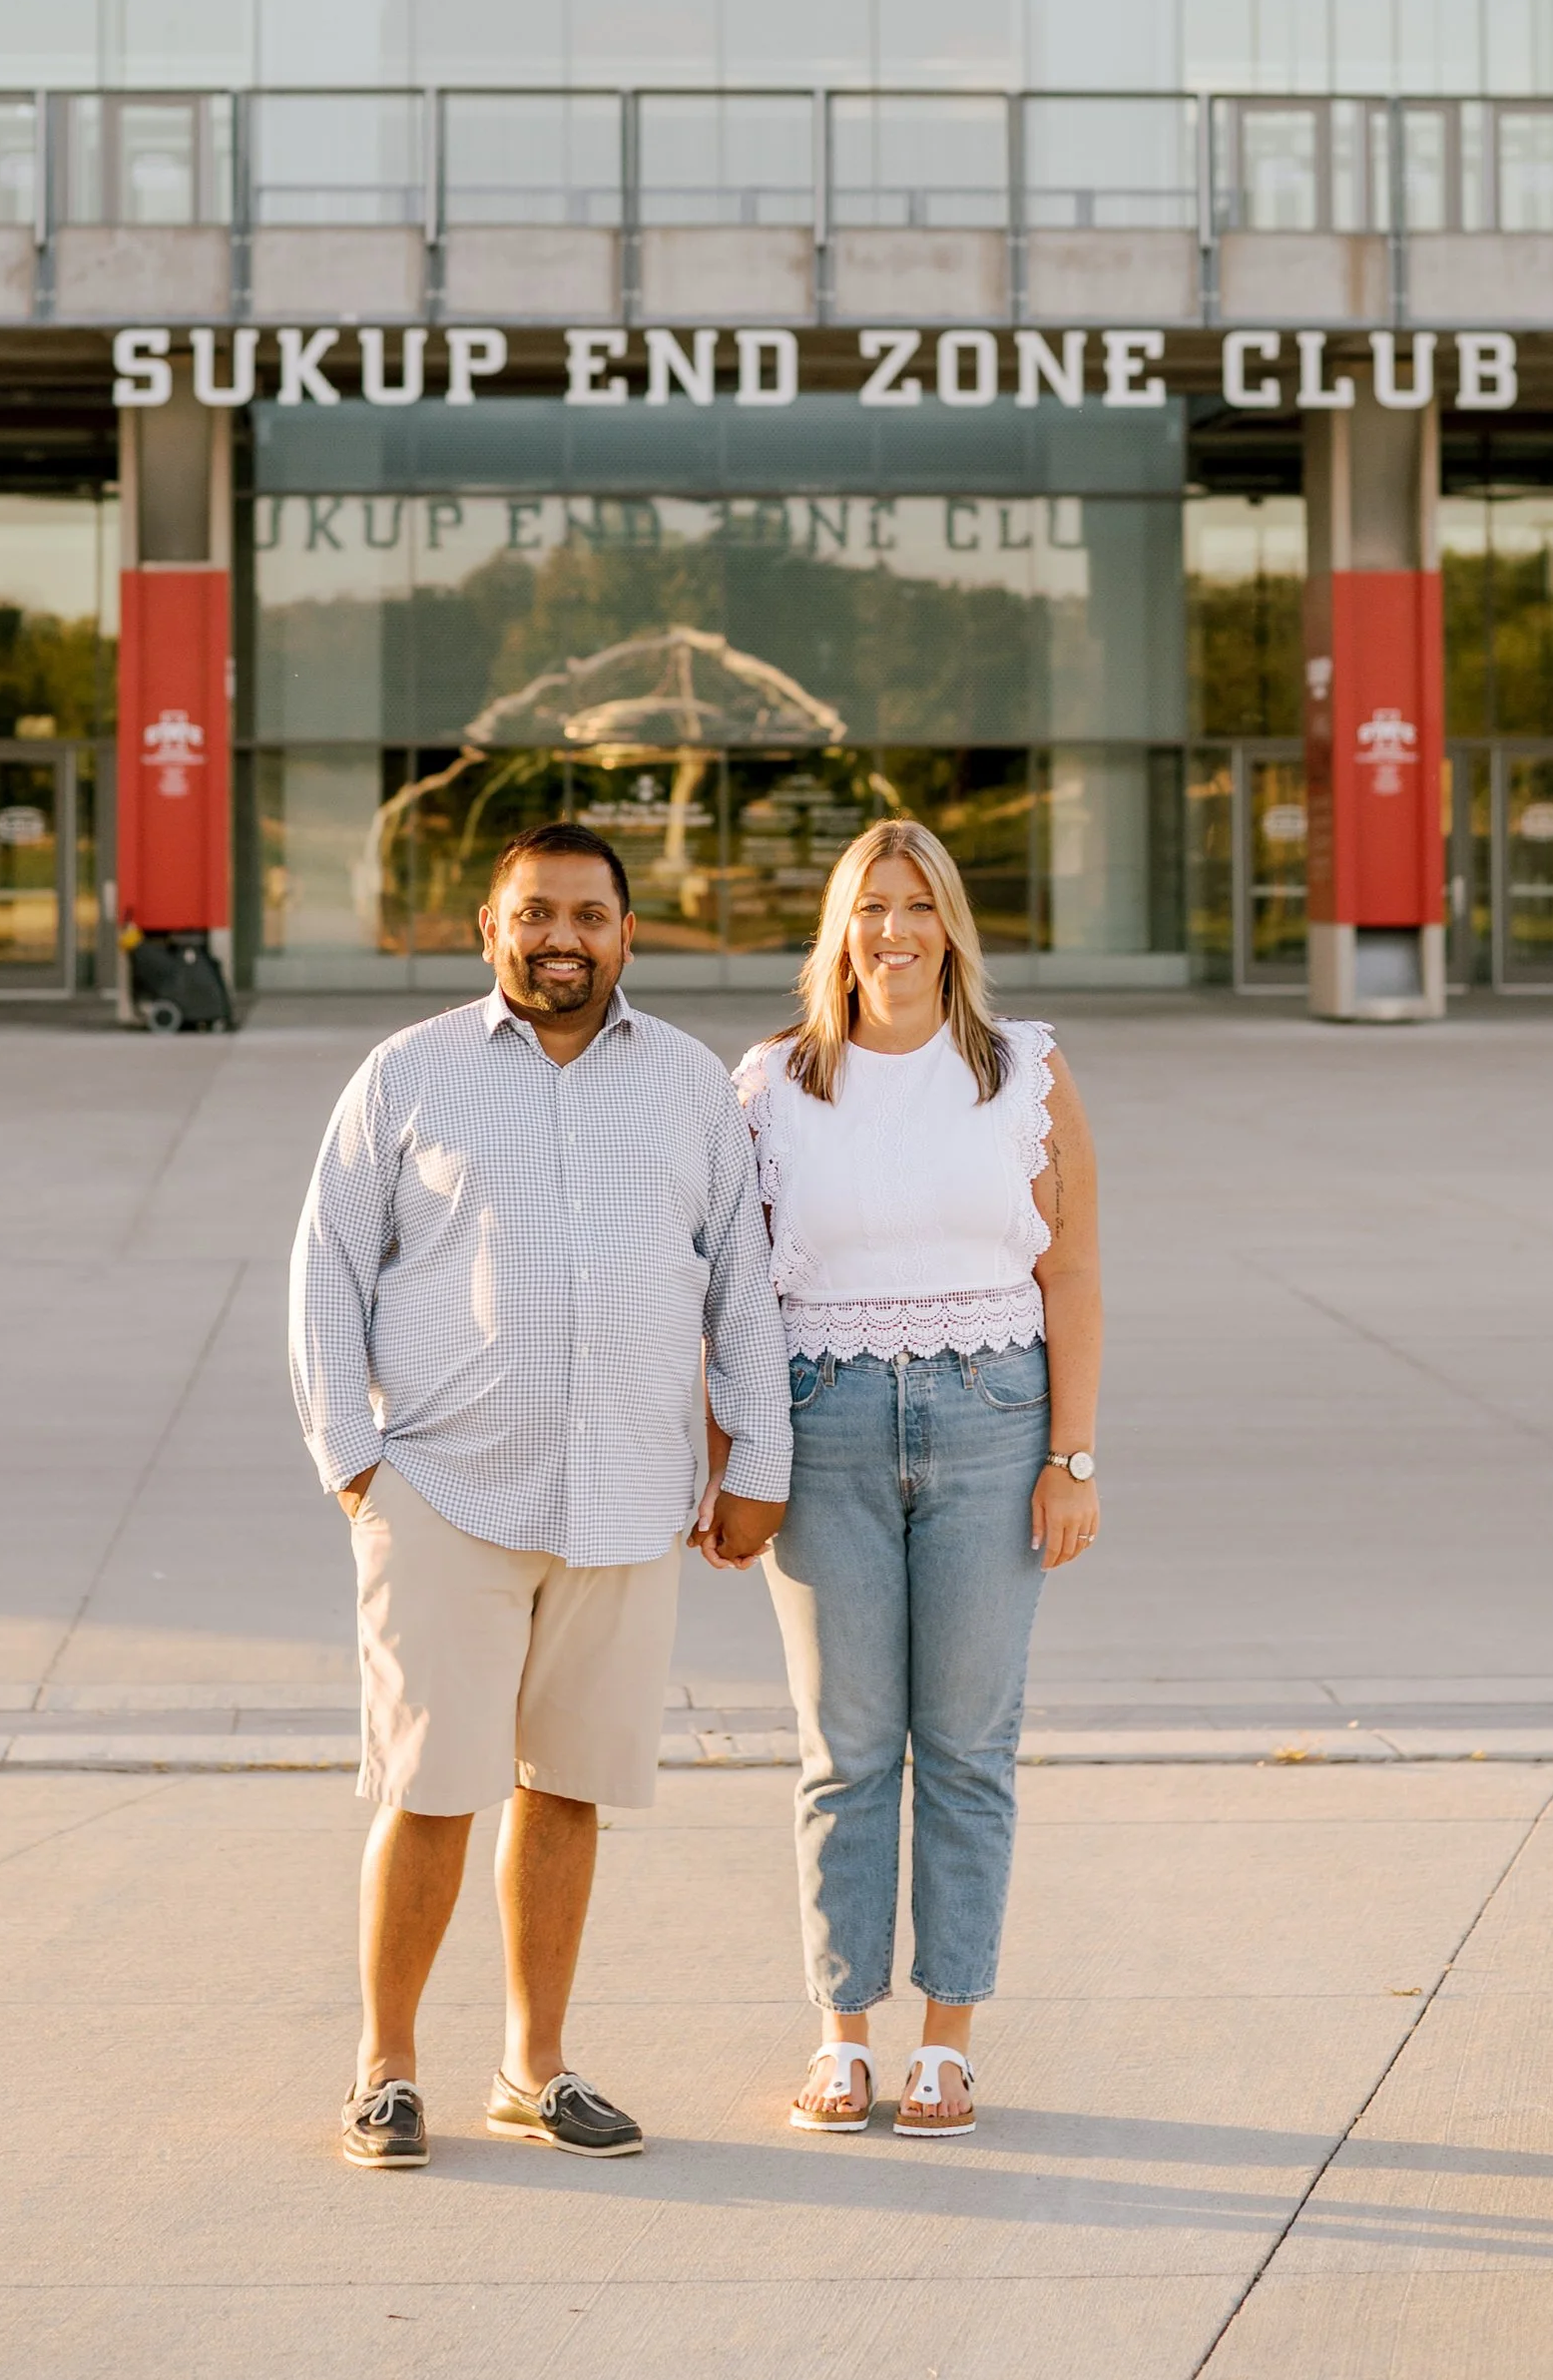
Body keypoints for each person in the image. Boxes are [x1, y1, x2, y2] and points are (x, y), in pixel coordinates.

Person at [288, 818, 791, 2170]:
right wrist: (353, 1463)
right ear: (488, 927)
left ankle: (535, 2066)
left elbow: (742, 1278)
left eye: (588, 914)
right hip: (444, 1490)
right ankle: (386, 2071)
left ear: (627, 933)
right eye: (535, 913)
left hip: (627, 1498)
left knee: (566, 1790)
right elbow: (328, 1265)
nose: (560, 937)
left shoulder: (690, 1085)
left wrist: (761, 1460)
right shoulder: (408, 1075)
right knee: (431, 1789)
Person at [724, 817, 1103, 2142]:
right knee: (843, 1747)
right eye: (869, 907)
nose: (893, 931)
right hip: (820, 1422)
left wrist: (1072, 1456)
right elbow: (734, 1295)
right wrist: (735, 1454)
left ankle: (947, 2039)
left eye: (918, 906)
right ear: (840, 930)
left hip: (994, 1419)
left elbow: (1071, 1274)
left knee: (965, 1742)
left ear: (953, 928)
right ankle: (842, 2037)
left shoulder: (1026, 1075)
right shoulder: (772, 1086)